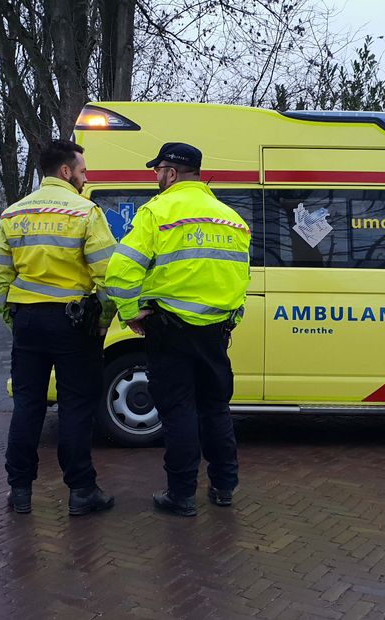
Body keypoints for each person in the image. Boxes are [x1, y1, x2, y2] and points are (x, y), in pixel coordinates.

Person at [105, 142, 252, 517]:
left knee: (179, 411)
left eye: (158, 170)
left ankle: (182, 495)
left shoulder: (158, 211)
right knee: (216, 410)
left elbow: (120, 271)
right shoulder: (232, 219)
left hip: (169, 330)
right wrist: (231, 316)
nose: (156, 177)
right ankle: (224, 487)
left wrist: (130, 312)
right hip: (216, 332)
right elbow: (240, 278)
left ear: (171, 173)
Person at [0, 138, 119, 516]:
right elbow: (107, 276)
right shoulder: (85, 213)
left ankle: (19, 491)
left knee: (27, 406)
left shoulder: (13, 215)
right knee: (76, 407)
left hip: (28, 323)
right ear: (66, 171)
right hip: (74, 324)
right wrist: (103, 323)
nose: (84, 176)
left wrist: (13, 319)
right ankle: (81, 491)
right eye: (82, 170)